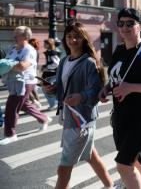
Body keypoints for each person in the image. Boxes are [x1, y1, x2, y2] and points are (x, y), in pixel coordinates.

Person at [43, 22, 113, 188]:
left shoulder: (88, 62)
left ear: (83, 39)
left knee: (63, 169)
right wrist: (52, 89)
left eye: (77, 36)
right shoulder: (64, 61)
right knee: (91, 157)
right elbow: (62, 88)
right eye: (69, 36)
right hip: (69, 116)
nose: (73, 40)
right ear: (65, 39)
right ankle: (110, 186)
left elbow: (96, 90)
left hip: (82, 119)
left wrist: (81, 97)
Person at [98, 8, 141, 188]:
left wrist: (131, 88)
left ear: (140, 26)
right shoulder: (119, 50)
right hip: (121, 114)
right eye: (121, 23)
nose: (125, 27)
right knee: (135, 161)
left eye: (130, 23)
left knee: (123, 165)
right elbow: (116, 77)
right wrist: (107, 87)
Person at [0, 26, 51, 145]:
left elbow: (23, 66)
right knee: (24, 105)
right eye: (14, 34)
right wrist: (10, 65)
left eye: (17, 34)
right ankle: (44, 119)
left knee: (11, 107)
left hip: (25, 82)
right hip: (13, 81)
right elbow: (4, 64)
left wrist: (10, 65)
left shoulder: (29, 50)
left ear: (25, 37)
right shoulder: (13, 49)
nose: (14, 37)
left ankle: (10, 134)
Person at [42, 38, 61, 109]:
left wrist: (47, 67)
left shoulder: (52, 52)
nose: (44, 45)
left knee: (47, 89)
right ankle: (55, 103)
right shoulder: (49, 52)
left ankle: (53, 104)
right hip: (50, 73)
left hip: (53, 73)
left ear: (49, 44)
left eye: (45, 44)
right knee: (47, 88)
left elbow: (56, 63)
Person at [28, 38, 42, 109]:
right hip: (33, 71)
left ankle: (35, 101)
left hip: (30, 71)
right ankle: (37, 102)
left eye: (29, 43)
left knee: (28, 88)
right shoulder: (36, 52)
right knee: (32, 88)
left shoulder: (32, 52)